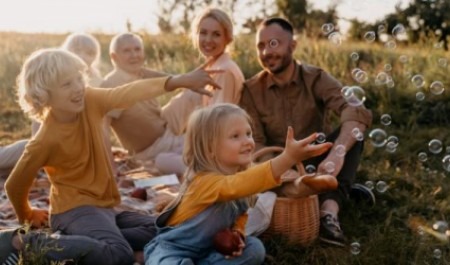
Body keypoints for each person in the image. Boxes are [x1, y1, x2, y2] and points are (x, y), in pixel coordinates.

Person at [5, 48, 221, 265]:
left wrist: (177, 81)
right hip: (72, 211)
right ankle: (27, 243)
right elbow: (14, 184)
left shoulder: (90, 99)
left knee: (169, 230)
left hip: (106, 209)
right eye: (66, 84)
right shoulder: (44, 140)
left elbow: (125, 93)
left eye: (78, 78)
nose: (78, 88)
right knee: (119, 255)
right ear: (44, 94)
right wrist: (27, 215)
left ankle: (86, 239)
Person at [239, 17, 374, 247]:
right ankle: (339, 190)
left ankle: (327, 213)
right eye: (260, 46)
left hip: (319, 161)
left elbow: (355, 110)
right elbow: (256, 145)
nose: (266, 52)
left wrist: (337, 154)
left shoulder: (316, 78)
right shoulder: (251, 90)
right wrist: (285, 170)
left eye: (273, 44)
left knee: (352, 134)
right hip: (279, 167)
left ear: (293, 45)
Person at [143, 103, 333, 265]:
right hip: (173, 248)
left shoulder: (242, 179)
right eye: (235, 136)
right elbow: (237, 185)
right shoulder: (204, 181)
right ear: (210, 148)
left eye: (248, 133)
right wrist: (287, 158)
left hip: (210, 250)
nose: (247, 142)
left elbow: (240, 215)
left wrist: (237, 234)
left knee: (255, 248)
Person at [102, 33, 200, 177]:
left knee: (194, 94)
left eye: (137, 49)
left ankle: (201, 140)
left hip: (166, 131)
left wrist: (195, 79)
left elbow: (172, 80)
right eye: (127, 51)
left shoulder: (141, 73)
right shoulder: (112, 85)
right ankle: (192, 164)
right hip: (150, 151)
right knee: (196, 156)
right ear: (114, 57)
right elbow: (103, 128)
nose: (134, 55)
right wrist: (112, 168)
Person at [191, 7, 244, 106]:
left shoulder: (224, 71)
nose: (208, 40)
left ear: (227, 39)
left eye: (216, 34)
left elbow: (218, 118)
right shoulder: (214, 68)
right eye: (203, 33)